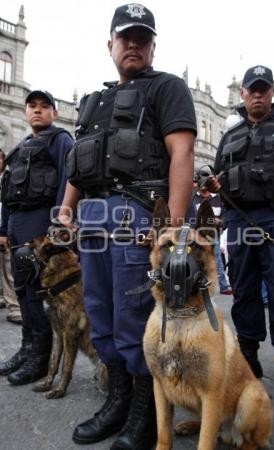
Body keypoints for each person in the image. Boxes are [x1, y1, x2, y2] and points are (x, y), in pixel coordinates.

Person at [59, 4, 196, 449]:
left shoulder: (168, 88)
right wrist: (65, 209)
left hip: (139, 215)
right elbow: (80, 165)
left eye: (142, 38)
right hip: (94, 219)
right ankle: (117, 402)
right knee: (99, 313)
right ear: (110, 46)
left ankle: (146, 413)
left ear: (153, 45)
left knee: (134, 319)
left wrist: (173, 229)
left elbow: (181, 155)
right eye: (125, 37)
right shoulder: (92, 101)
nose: (133, 44)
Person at [208, 65, 274, 404]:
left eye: (264, 88)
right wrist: (212, 186)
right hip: (239, 218)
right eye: (252, 89)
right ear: (243, 94)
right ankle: (248, 354)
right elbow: (217, 177)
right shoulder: (229, 135)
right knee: (244, 287)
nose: (257, 94)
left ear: (272, 92)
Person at [0, 90, 73, 385]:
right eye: (33, 106)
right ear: (25, 112)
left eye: (45, 106)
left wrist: (58, 221)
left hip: (41, 220)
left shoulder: (60, 140)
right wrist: (4, 229)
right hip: (18, 220)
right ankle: (27, 348)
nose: (38, 111)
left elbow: (69, 180)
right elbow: (6, 191)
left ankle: (41, 358)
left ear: (54, 113)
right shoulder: (20, 148)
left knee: (36, 291)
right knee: (21, 289)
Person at [194, 168, 232, 295]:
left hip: (214, 235)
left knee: (218, 261)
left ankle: (224, 286)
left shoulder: (218, 197)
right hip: (197, 236)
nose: (204, 184)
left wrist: (219, 221)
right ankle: (197, 287)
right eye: (202, 180)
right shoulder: (193, 198)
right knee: (197, 261)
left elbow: (226, 216)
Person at [0, 149, 22, 324]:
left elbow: (8, 206)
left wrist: (4, 231)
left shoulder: (8, 178)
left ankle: (14, 307)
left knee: (8, 270)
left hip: (3, 230)